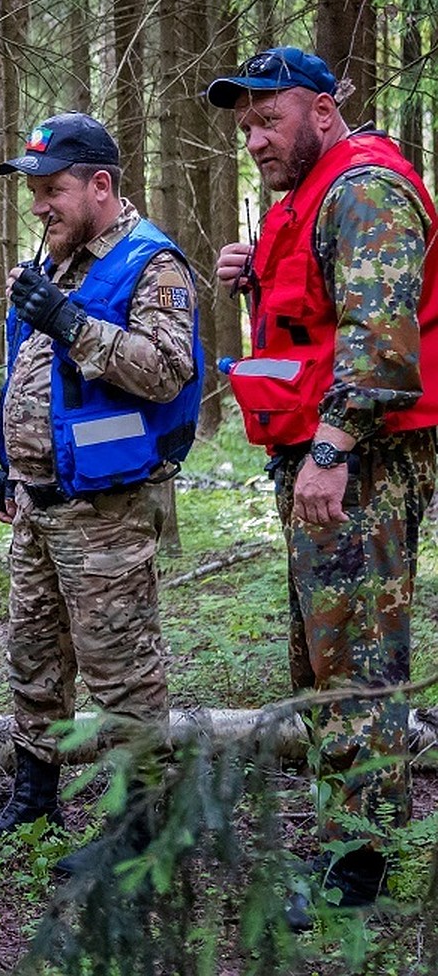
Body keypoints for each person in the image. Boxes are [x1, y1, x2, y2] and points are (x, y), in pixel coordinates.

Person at [208, 47, 438, 927]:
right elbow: (319, 320)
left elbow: (382, 342)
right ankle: (346, 838)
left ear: (323, 112)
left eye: (271, 120)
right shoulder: (310, 200)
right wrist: (255, 277)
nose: (257, 139)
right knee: (325, 656)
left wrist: (332, 449)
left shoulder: (364, 188)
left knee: (359, 663)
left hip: (360, 461)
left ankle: (360, 874)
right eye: (247, 127)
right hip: (325, 457)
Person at [0, 112, 203, 872]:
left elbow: (166, 370)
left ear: (100, 185)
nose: (39, 205)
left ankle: (140, 830)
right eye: (34, 191)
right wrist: (12, 461)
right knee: (33, 657)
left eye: (52, 189)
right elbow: (35, 380)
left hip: (110, 511)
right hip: (40, 503)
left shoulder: (150, 263)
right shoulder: (58, 259)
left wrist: (70, 323)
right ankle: (33, 803)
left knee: (121, 669)